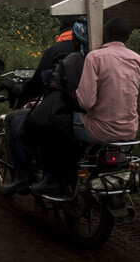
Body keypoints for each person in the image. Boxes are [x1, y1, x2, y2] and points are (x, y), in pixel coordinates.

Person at [4, 15, 77, 194]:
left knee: (14, 120)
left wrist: (20, 93)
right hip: (86, 110)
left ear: (62, 28)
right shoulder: (93, 50)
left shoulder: (55, 50)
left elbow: (37, 84)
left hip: (59, 108)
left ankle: (23, 177)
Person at [28, 17, 89, 195]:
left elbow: (78, 97)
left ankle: (50, 179)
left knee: (40, 125)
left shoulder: (69, 59)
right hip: (121, 124)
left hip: (77, 113)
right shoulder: (103, 58)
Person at [74, 17, 140, 145]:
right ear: (127, 38)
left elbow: (86, 102)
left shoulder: (94, 57)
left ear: (106, 34)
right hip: (129, 133)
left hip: (97, 131)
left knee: (61, 121)